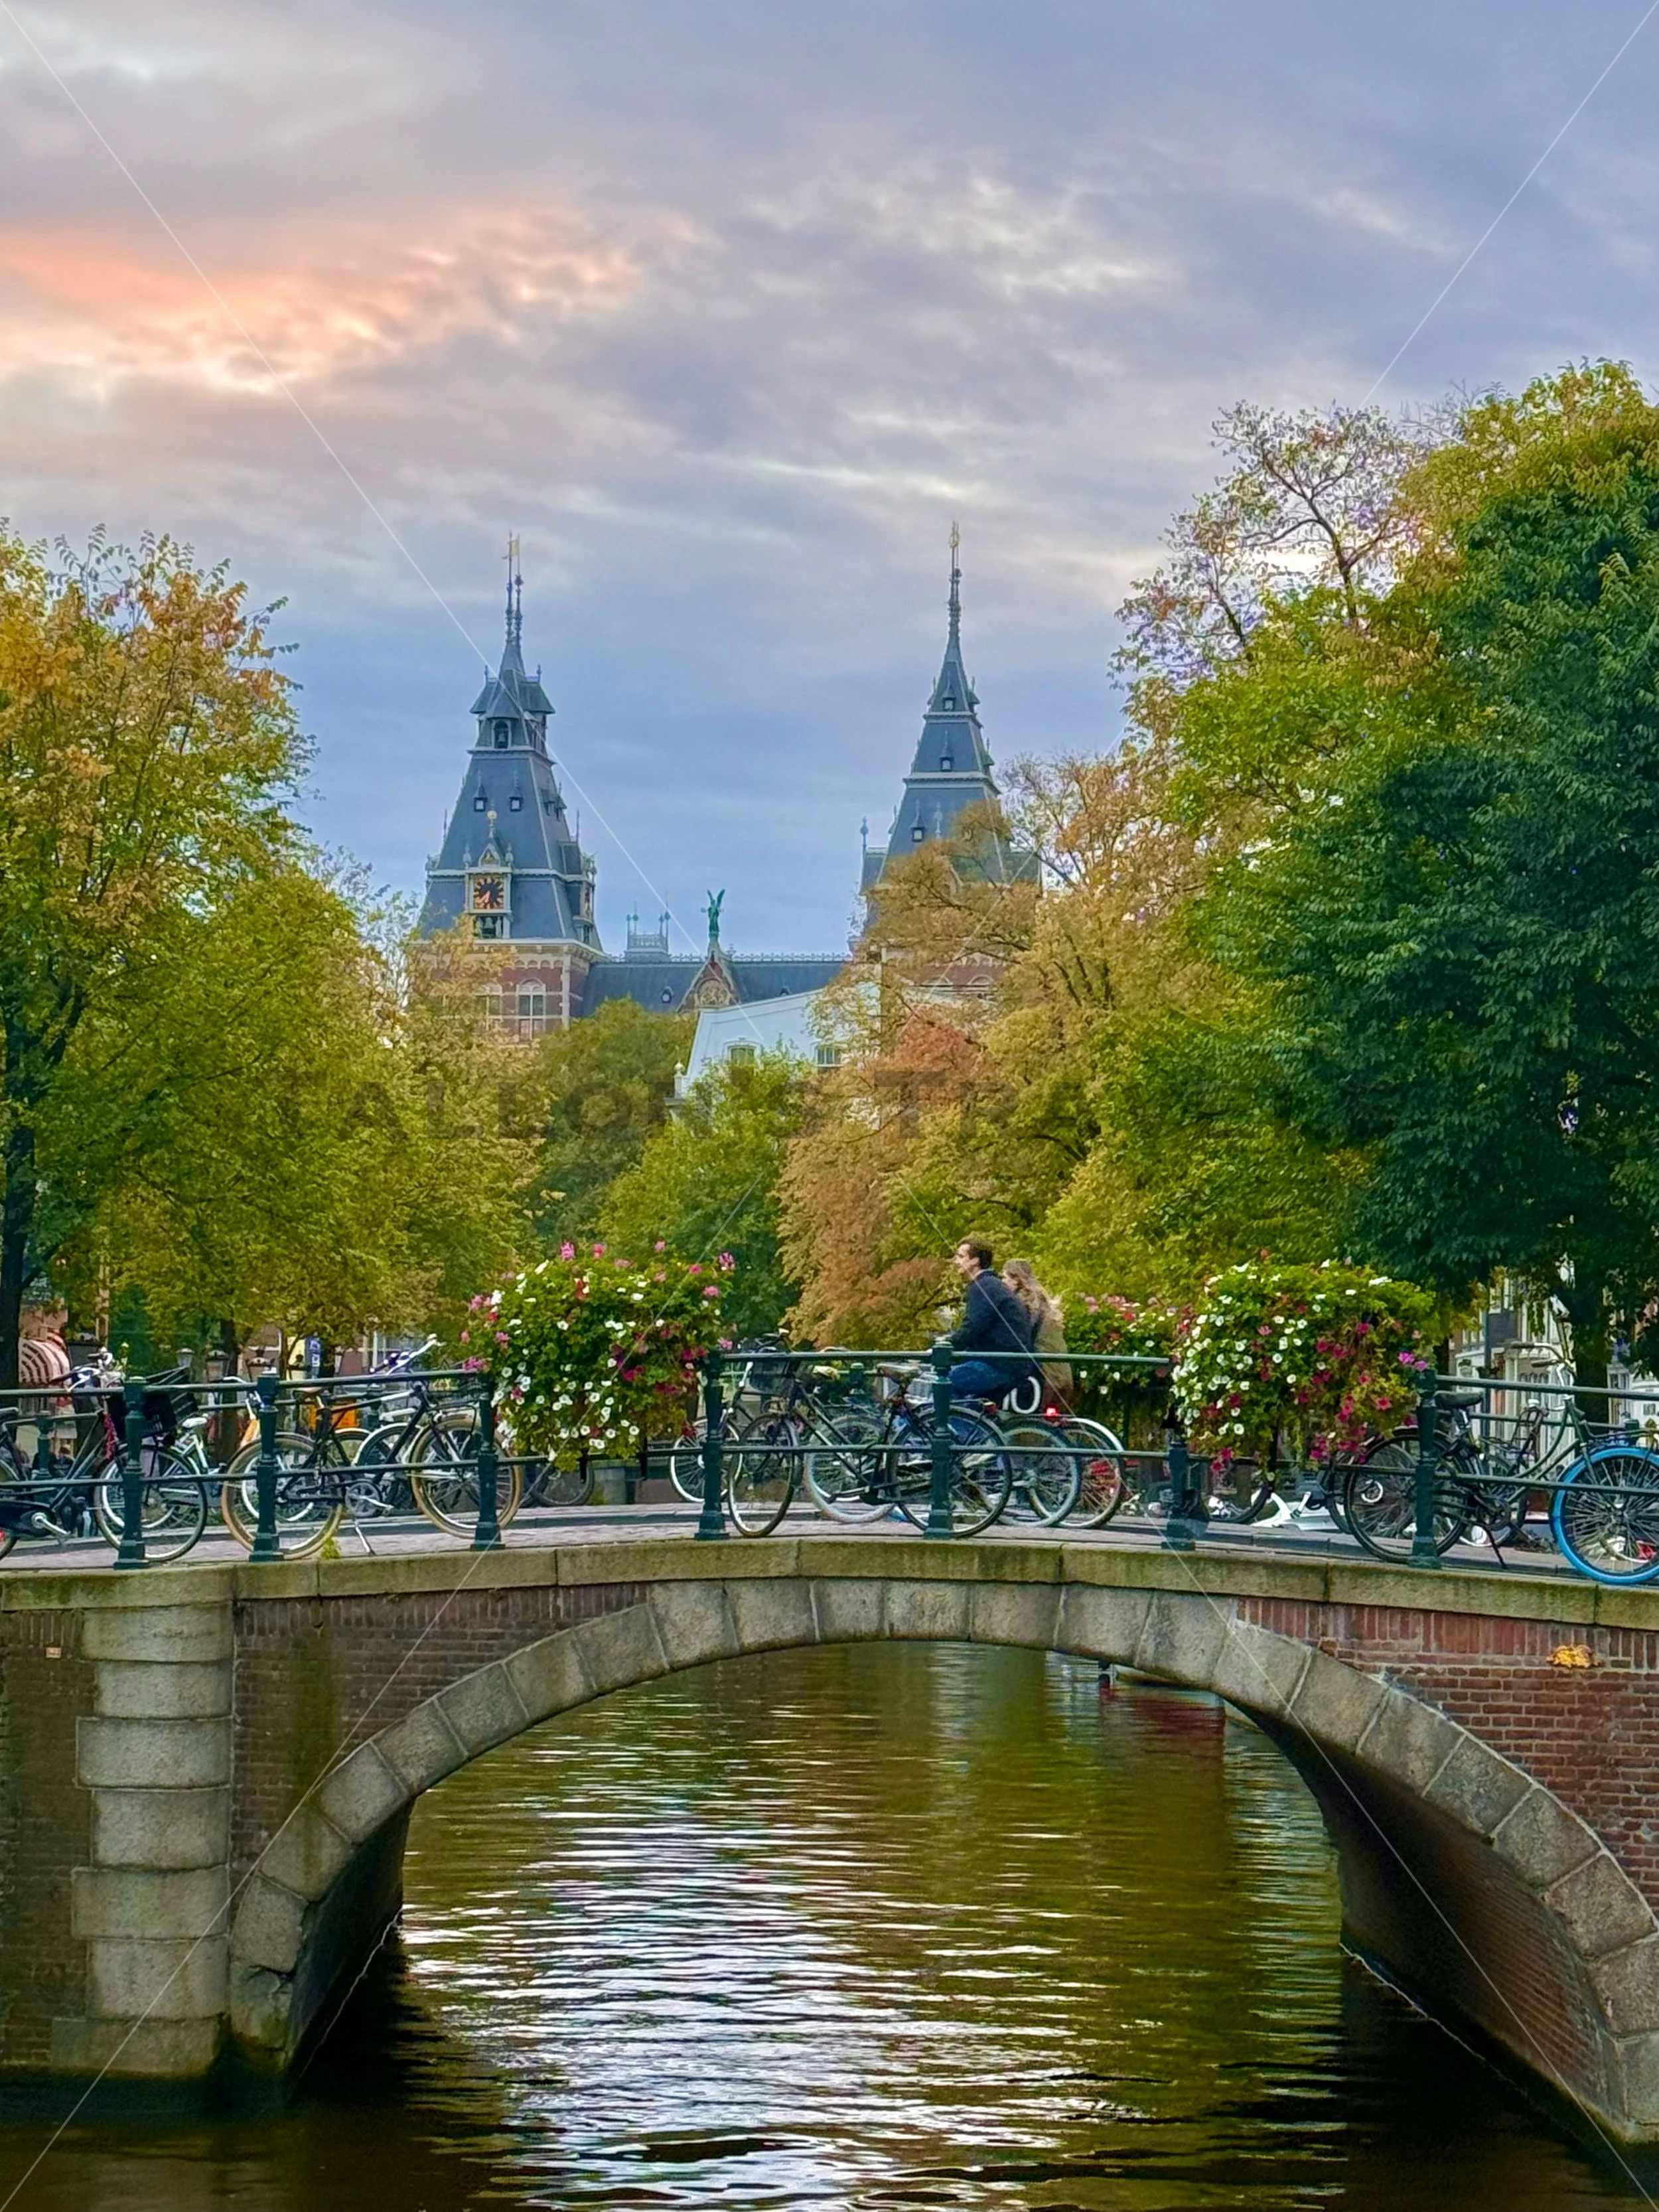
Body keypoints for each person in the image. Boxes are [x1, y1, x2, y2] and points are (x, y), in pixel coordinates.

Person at [945, 1238, 1039, 1403]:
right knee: (974, 1404)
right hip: (1013, 1364)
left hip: (1000, 1364)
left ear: (975, 1261)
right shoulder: (992, 1285)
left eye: (961, 1256)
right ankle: (973, 1425)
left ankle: (952, 1428)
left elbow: (973, 1327)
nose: (956, 1261)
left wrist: (944, 1346)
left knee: (944, 1384)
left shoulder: (984, 1287)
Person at [1002, 1259, 1073, 1408]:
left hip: (1043, 1374)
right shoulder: (1042, 1303)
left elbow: (1023, 1340)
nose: (1002, 1283)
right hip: (1060, 1374)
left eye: (1005, 1278)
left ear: (1016, 1280)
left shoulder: (1021, 1306)